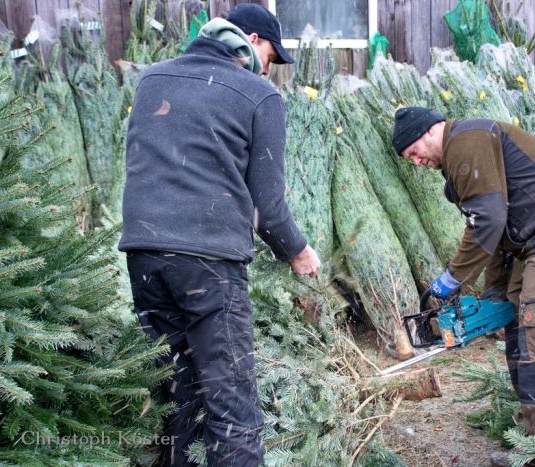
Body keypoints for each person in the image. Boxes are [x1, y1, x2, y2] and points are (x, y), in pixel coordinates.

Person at [118, 4, 320, 466]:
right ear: (250, 40)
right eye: (271, 54)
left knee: (177, 392)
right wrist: (298, 251)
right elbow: (267, 206)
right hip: (207, 262)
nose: (270, 66)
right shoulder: (257, 94)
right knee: (231, 400)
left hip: (144, 256)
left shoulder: (153, 79)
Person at [391, 108, 535, 464]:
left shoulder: (465, 142)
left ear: (431, 131)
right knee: (515, 323)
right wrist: (493, 293)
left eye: (415, 152)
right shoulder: (462, 151)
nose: (417, 162)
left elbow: (487, 222)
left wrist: (452, 278)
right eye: (409, 160)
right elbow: (499, 232)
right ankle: (530, 436)